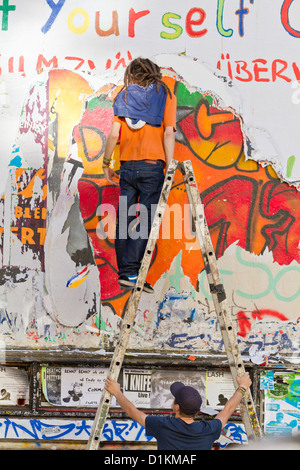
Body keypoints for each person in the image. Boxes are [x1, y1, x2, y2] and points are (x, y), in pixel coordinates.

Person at [102, 57, 177, 294]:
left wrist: (106, 162)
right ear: (154, 73)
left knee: (124, 218)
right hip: (151, 167)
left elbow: (114, 133)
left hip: (127, 167)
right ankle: (132, 272)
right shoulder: (165, 94)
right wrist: (169, 165)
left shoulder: (123, 95)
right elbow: (168, 133)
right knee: (144, 218)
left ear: (130, 74)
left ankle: (127, 273)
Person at [104, 372, 252, 450]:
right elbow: (229, 408)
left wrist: (117, 392)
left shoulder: (163, 425)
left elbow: (132, 411)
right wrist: (243, 387)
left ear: (177, 407)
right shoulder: (209, 429)